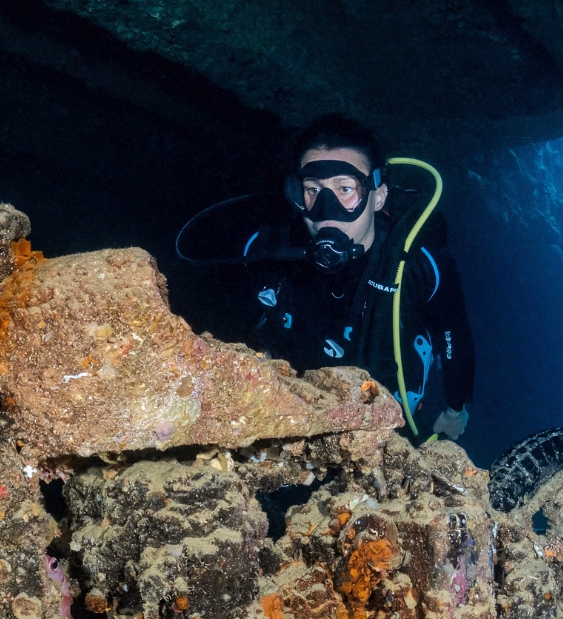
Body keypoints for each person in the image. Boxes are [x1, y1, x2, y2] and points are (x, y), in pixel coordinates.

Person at [176, 114, 477, 441]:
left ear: (378, 196)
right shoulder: (270, 248)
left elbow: (455, 333)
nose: (325, 210)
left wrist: (454, 409)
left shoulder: (419, 266)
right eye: (313, 190)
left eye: (345, 189)